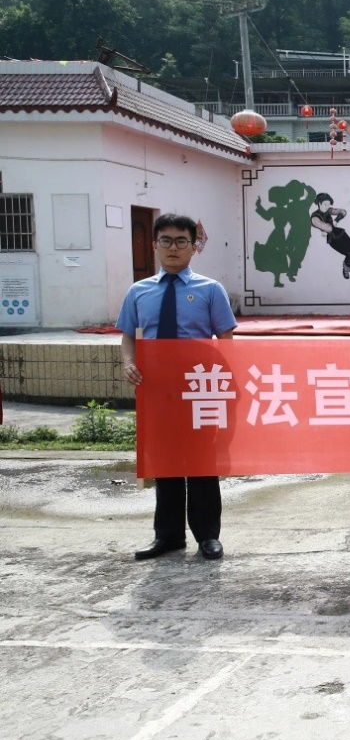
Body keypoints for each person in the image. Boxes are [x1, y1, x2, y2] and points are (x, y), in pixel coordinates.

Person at [118, 213, 237, 561]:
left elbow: (226, 340)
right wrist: (128, 362)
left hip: (199, 388)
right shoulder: (138, 292)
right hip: (158, 390)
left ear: (193, 247)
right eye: (166, 240)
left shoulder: (210, 290)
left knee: (201, 463)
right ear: (155, 245)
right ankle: (168, 536)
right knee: (166, 464)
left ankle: (207, 536)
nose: (173, 248)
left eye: (181, 241)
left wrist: (224, 384)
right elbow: (128, 336)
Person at [310, 192, 350, 290]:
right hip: (332, 239)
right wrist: (328, 227)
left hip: (340, 233)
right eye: (325, 204)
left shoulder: (328, 210)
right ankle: (348, 269)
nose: (327, 206)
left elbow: (343, 211)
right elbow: (328, 228)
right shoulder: (315, 217)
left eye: (328, 204)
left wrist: (337, 219)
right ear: (319, 203)